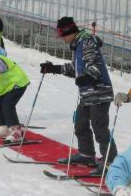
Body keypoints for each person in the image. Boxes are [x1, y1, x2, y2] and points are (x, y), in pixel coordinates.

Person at [40, 16, 117, 177]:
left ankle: (111, 163)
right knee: (80, 123)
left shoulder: (87, 42)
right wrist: (53, 68)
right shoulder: (78, 44)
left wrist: (87, 77)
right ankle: (87, 154)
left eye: (63, 36)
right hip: (88, 93)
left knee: (100, 128)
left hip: (99, 91)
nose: (62, 39)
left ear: (69, 31)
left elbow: (94, 66)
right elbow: (75, 68)